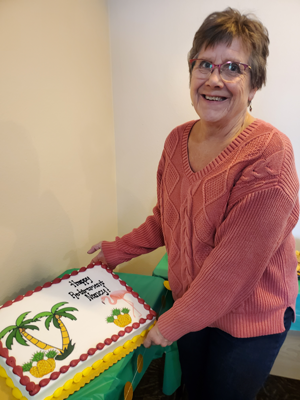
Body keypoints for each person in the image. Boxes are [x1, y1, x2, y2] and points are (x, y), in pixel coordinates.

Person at [88, 8, 299, 400]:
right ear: (191, 72)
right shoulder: (176, 140)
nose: (215, 79)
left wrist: (171, 323)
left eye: (233, 67)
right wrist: (115, 251)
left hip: (251, 318)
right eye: (205, 64)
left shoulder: (270, 152)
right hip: (193, 302)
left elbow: (233, 268)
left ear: (254, 86)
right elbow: (166, 219)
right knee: (195, 388)